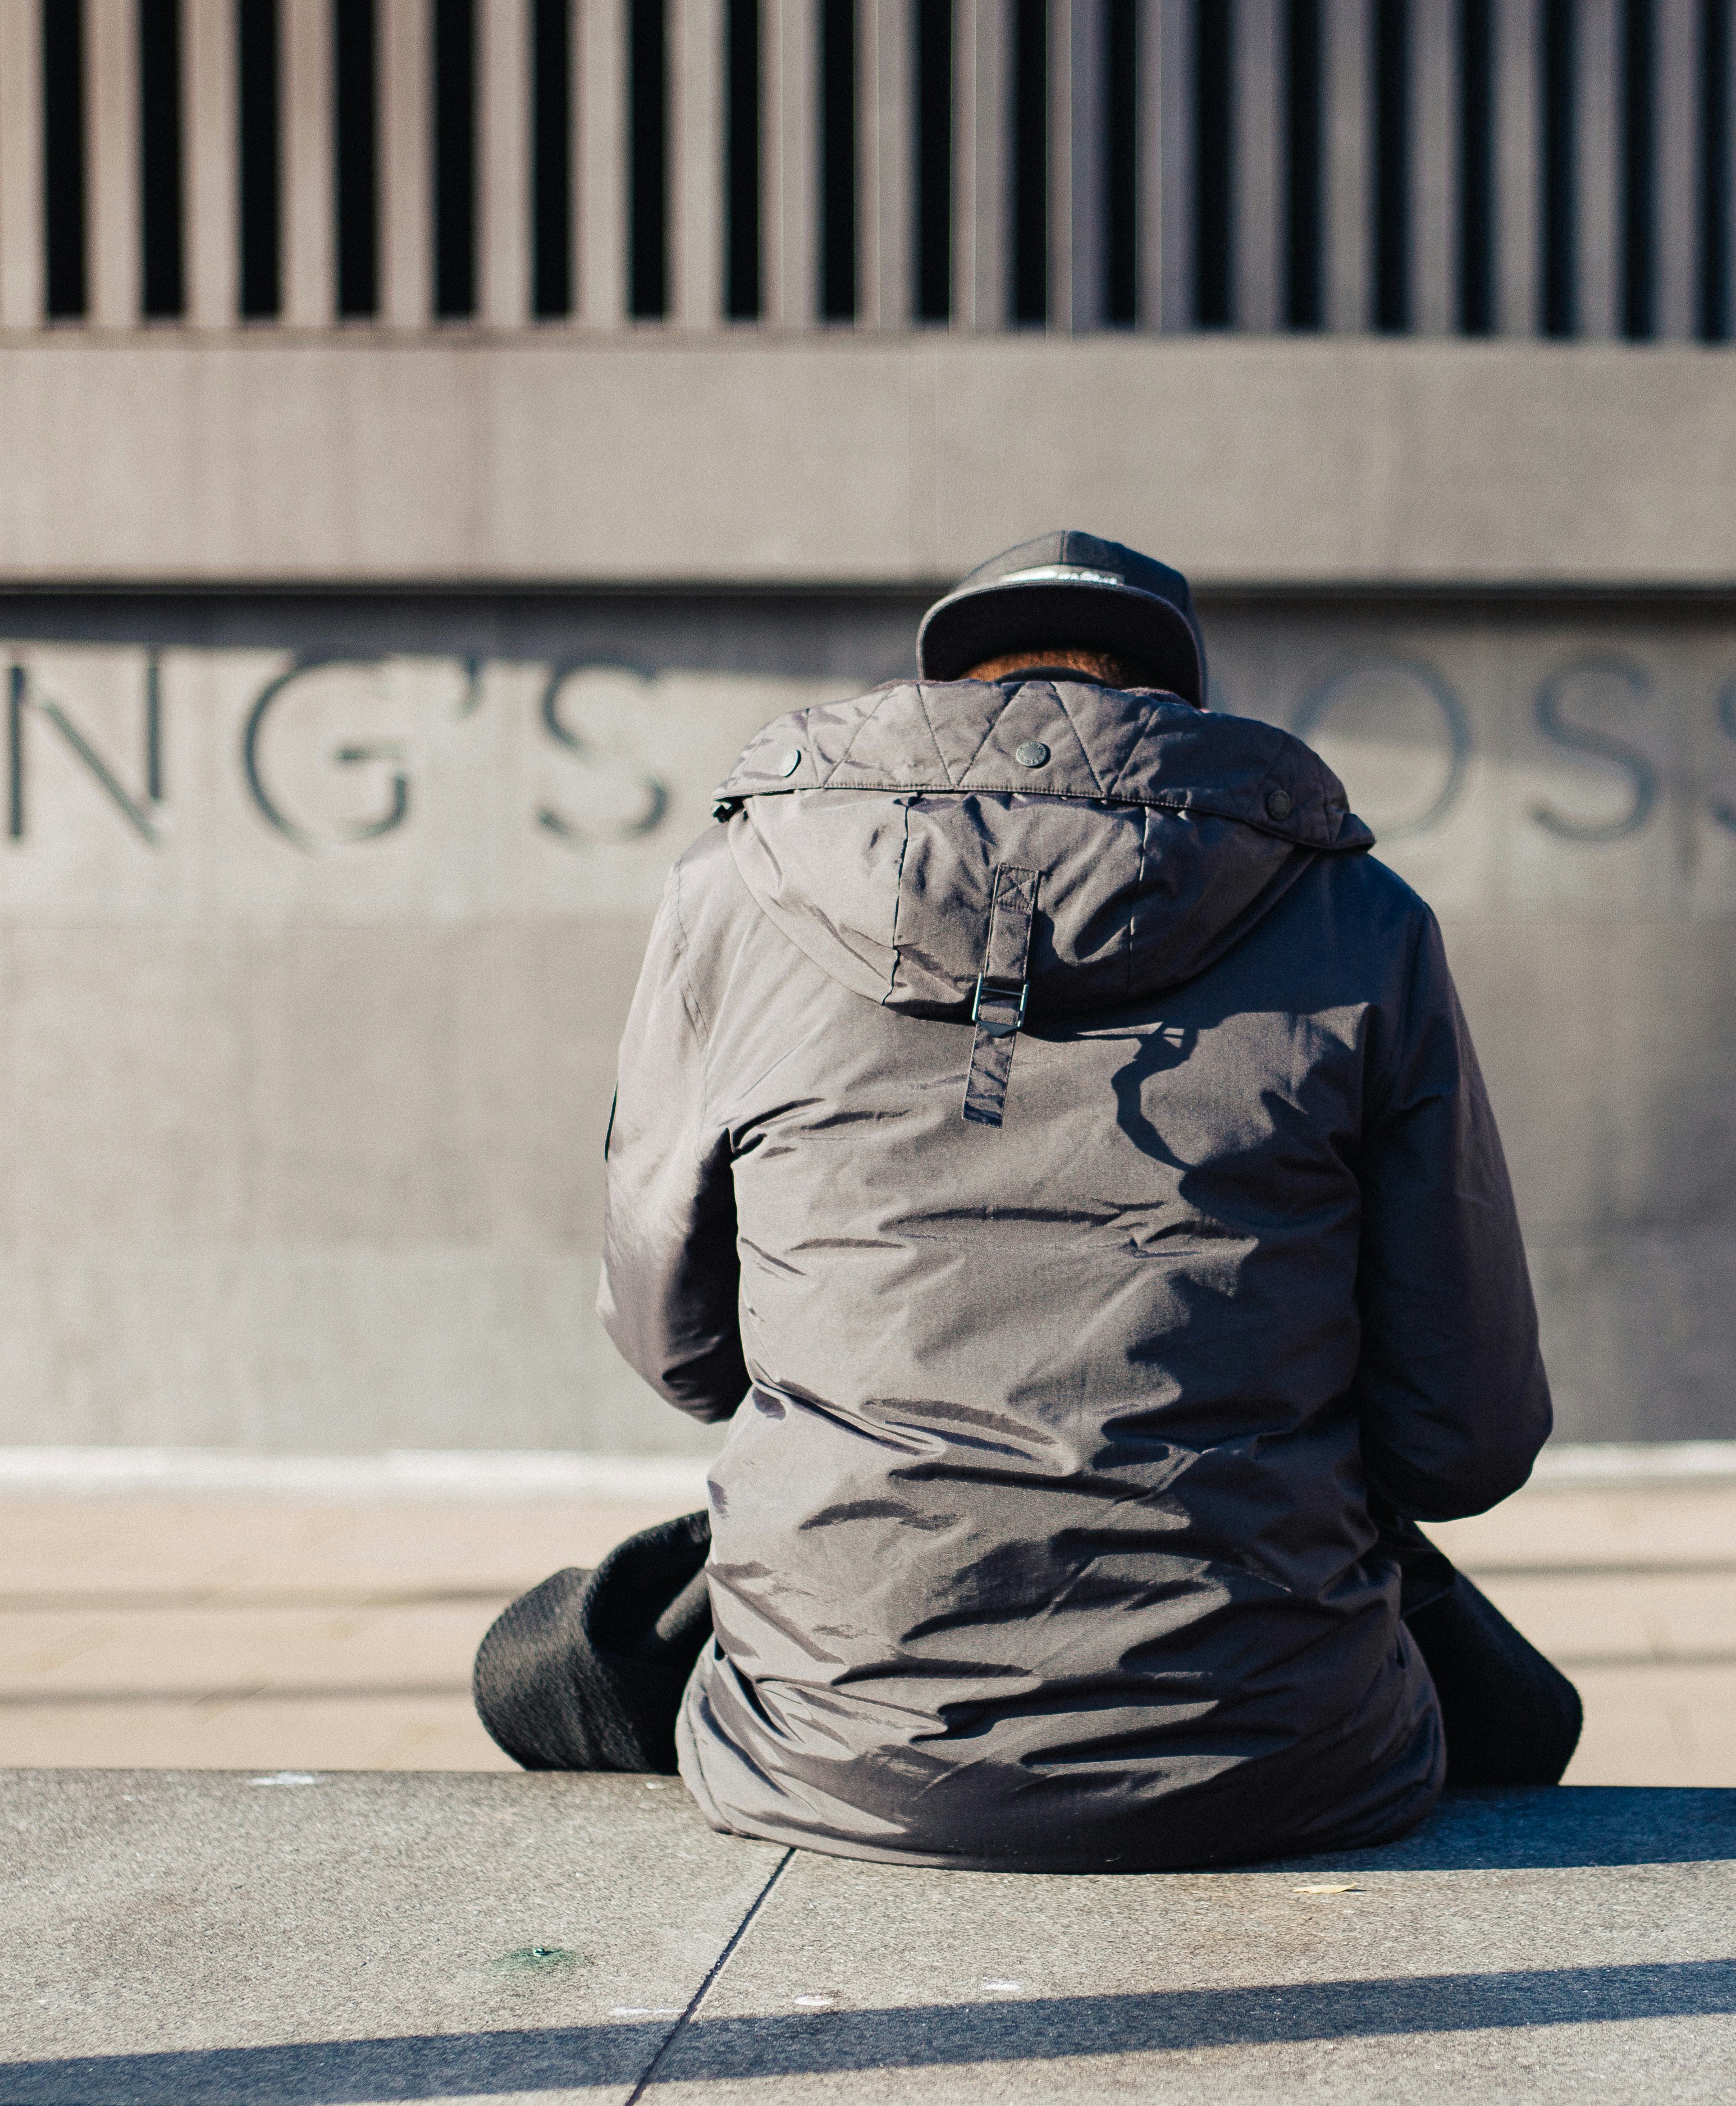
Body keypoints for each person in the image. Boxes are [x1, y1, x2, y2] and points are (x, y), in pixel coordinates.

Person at [474, 529, 1579, 1871]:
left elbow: (683, 1355)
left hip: (830, 1750)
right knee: (1515, 1702)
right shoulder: (1365, 920)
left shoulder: (731, 904)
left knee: (538, 1657)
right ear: (1171, 708)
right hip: (1285, 1759)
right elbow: (1464, 1441)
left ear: (952, 699)